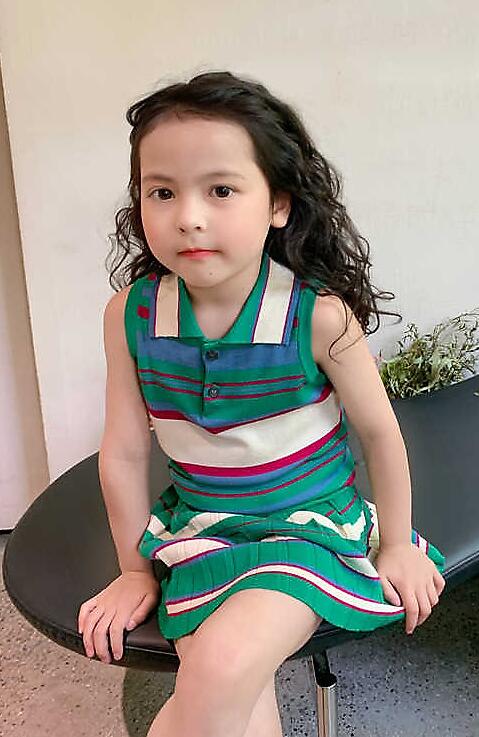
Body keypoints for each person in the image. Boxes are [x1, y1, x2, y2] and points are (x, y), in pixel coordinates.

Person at [77, 70, 446, 737]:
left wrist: (396, 544)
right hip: (199, 531)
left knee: (220, 667)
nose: (188, 215)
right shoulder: (130, 315)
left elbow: (380, 435)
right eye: (162, 191)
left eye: (220, 190)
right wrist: (133, 569)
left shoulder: (316, 317)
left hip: (309, 530)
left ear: (278, 203)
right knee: (234, 698)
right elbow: (125, 451)